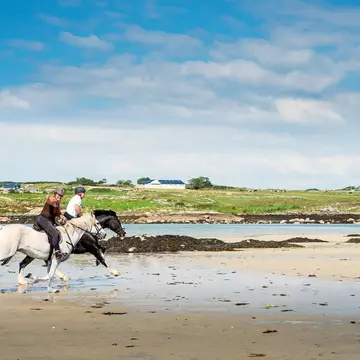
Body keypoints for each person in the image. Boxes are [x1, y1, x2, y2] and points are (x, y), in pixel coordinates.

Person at [37, 188, 68, 261]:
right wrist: (47, 199)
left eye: (61, 196)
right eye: (59, 195)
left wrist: (62, 217)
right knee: (55, 234)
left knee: (63, 229)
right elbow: (49, 202)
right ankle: (57, 252)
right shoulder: (53, 200)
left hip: (51, 220)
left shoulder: (58, 203)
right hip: (43, 219)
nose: (60, 197)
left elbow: (58, 213)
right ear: (55, 194)